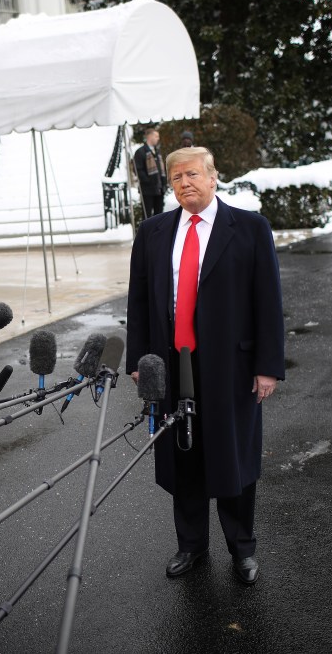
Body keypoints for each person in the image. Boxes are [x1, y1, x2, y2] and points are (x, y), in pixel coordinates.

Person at [125, 146, 284, 585]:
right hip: (173, 363)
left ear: (214, 177)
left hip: (230, 366)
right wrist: (141, 361)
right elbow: (138, 301)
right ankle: (191, 545)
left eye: (192, 174)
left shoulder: (249, 229)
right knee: (184, 457)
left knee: (232, 457)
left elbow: (268, 303)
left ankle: (242, 550)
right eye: (175, 178)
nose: (184, 183)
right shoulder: (154, 232)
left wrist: (267, 366)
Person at [133, 128, 168, 217]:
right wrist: (149, 181)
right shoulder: (140, 152)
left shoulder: (157, 152)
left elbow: (161, 169)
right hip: (147, 190)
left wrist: (163, 183)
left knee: (159, 215)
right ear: (150, 136)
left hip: (159, 189)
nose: (158, 138)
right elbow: (138, 170)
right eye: (156, 136)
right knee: (147, 215)